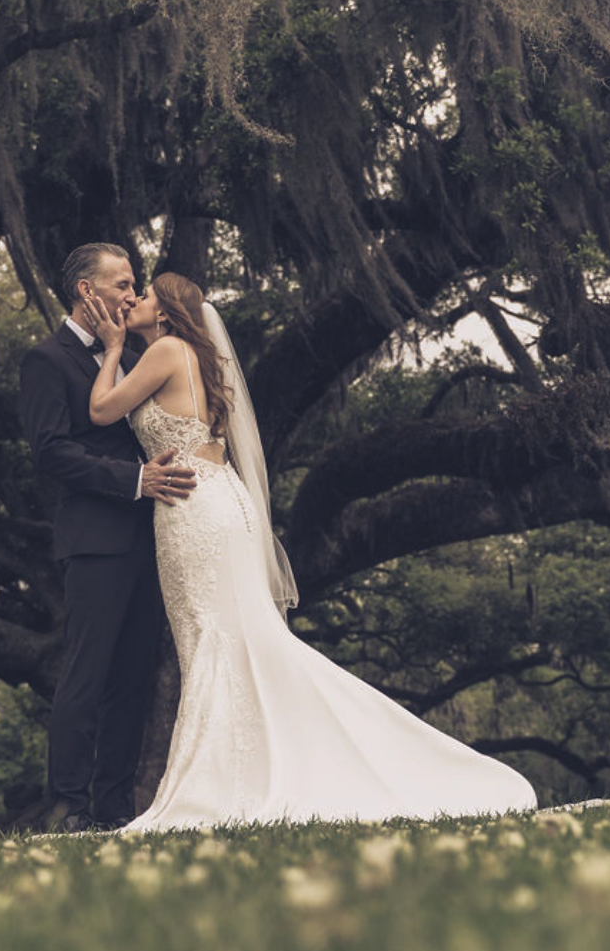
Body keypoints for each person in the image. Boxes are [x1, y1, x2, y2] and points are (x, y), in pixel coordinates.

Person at [78, 272, 537, 831]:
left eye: (144, 295)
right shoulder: (187, 355)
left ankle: (220, 785)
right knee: (224, 639)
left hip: (196, 508)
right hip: (213, 501)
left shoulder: (166, 349)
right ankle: (233, 773)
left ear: (168, 312)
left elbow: (101, 410)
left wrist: (113, 350)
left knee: (213, 639)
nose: (133, 302)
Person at [17, 243, 197, 833]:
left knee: (134, 681)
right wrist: (135, 479)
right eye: (122, 284)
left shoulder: (141, 354)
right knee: (87, 675)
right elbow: (52, 452)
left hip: (153, 537)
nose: (131, 293)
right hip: (96, 539)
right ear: (86, 292)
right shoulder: (48, 360)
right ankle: (68, 806)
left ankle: (116, 808)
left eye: (133, 285)